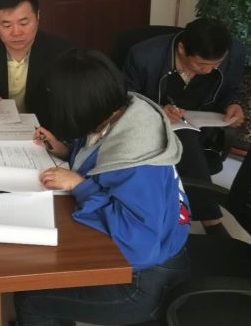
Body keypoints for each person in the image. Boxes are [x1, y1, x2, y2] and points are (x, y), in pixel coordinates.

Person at [15, 49, 191, 326]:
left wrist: (80, 186)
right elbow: (99, 154)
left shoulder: (138, 163)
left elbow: (139, 244)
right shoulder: (122, 113)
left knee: (32, 298)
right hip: (148, 255)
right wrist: (64, 150)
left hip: (143, 279)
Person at [123, 18, 246, 235]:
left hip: (204, 125)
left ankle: (190, 216)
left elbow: (231, 89)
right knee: (185, 139)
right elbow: (126, 98)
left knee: (188, 141)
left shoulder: (234, 52)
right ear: (181, 49)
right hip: (153, 127)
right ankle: (211, 221)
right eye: (200, 64)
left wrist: (233, 104)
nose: (209, 70)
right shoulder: (144, 56)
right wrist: (158, 110)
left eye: (216, 64)